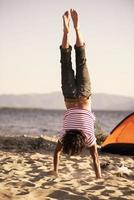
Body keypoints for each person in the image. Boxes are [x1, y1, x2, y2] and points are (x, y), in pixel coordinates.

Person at [53, 9, 102, 179]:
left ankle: (77, 28)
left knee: (82, 60)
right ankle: (68, 31)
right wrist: (55, 171)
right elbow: (57, 154)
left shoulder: (88, 136)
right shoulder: (64, 133)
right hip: (69, 95)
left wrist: (99, 177)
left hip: (85, 95)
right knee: (65, 61)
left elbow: (95, 158)